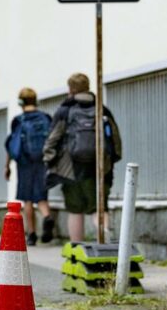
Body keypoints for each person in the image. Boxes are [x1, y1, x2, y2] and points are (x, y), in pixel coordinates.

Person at [43, 73, 122, 242]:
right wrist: (109, 163)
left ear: (70, 89)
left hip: (71, 171)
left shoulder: (65, 110)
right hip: (98, 170)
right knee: (99, 208)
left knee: (75, 210)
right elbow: (115, 139)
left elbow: (52, 139)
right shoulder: (101, 109)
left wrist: (50, 162)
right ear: (87, 87)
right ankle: (107, 241)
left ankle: (75, 249)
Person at [5, 88, 55, 246]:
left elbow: (11, 145)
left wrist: (7, 166)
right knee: (41, 195)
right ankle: (47, 216)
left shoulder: (18, 120)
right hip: (43, 161)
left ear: (21, 102)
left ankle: (31, 234)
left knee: (27, 198)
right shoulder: (46, 117)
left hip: (24, 163)